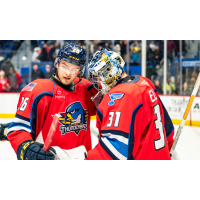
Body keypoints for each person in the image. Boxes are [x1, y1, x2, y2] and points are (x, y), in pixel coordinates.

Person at [6, 43, 97, 160]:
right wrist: (26, 148)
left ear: (80, 70)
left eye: (74, 69)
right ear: (57, 63)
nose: (68, 73)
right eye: (64, 66)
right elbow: (19, 129)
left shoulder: (87, 88)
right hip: (52, 158)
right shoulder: (40, 91)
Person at [86, 49, 174, 160]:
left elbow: (115, 154)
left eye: (98, 78)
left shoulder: (119, 96)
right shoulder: (145, 82)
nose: (97, 83)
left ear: (108, 74)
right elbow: (168, 131)